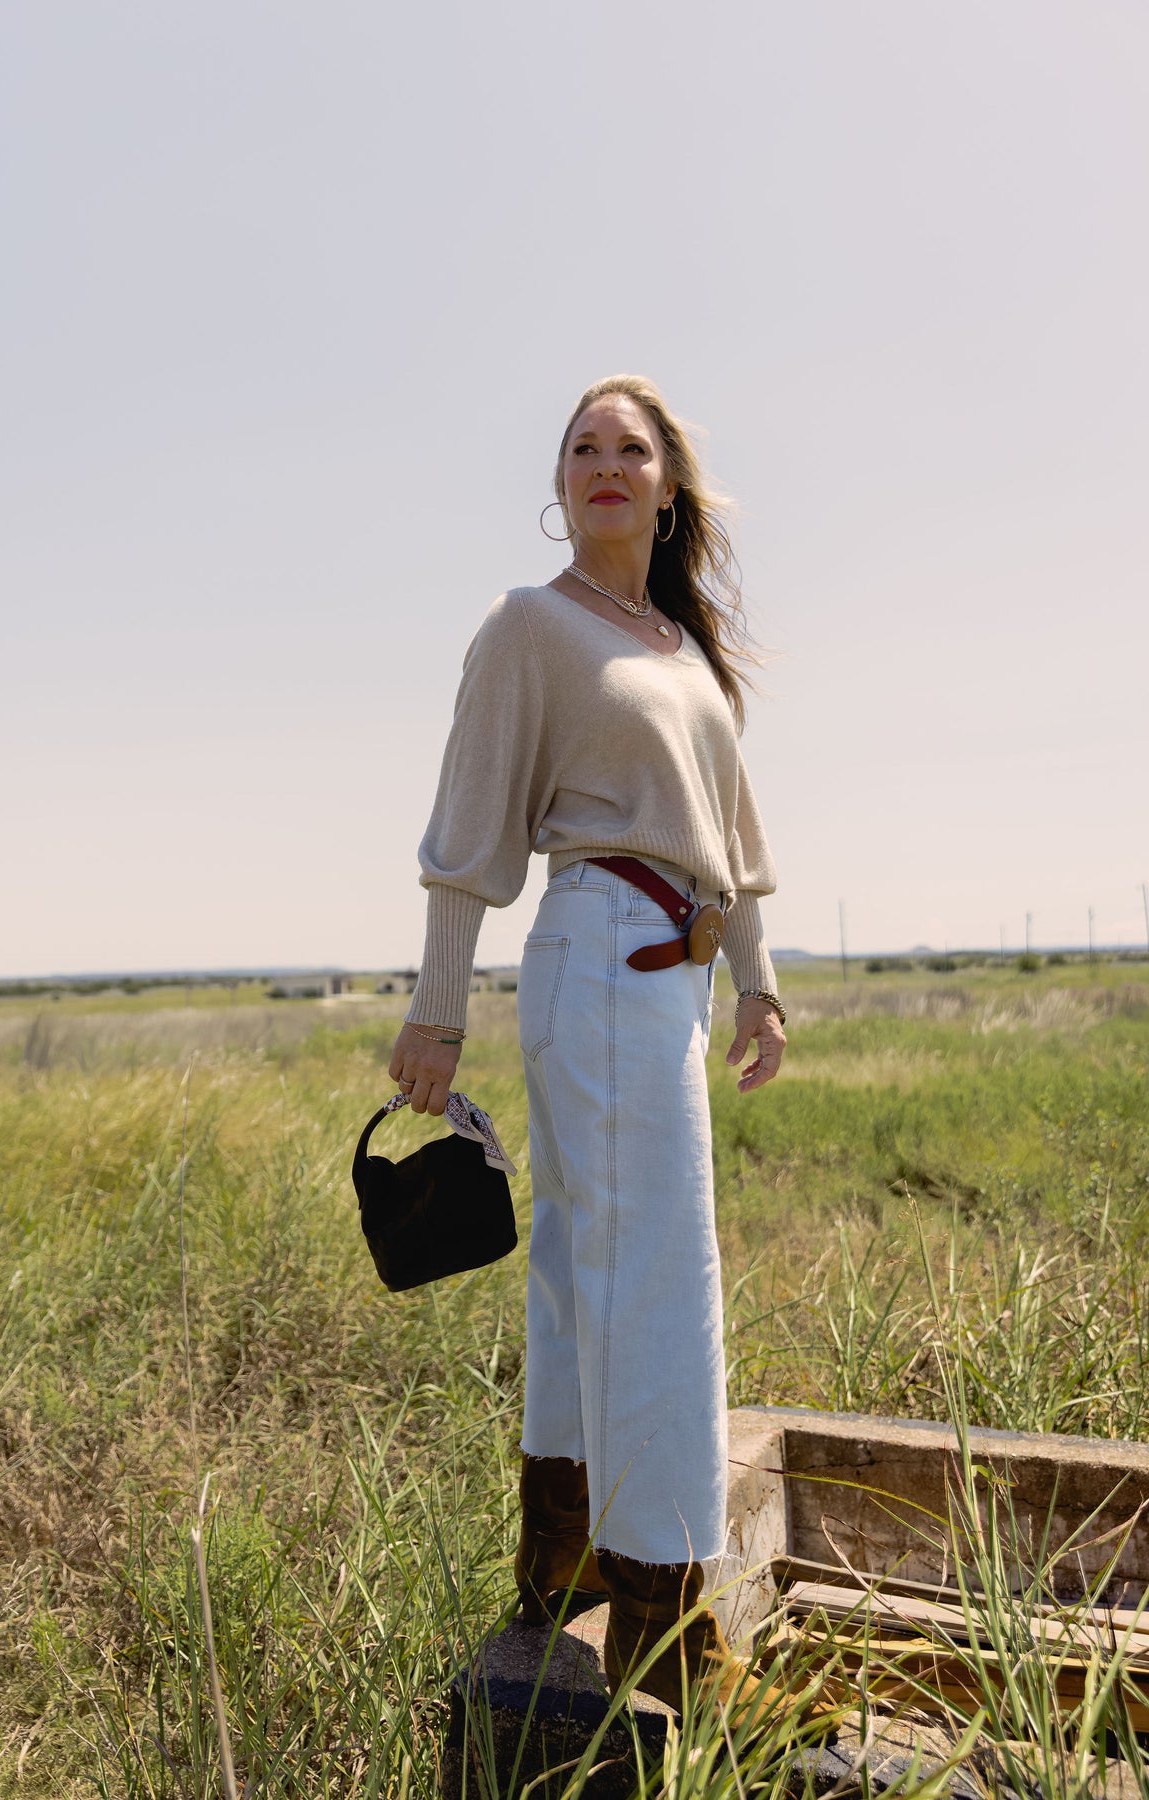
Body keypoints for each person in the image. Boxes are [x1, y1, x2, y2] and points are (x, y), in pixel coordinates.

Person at [388, 375, 822, 1725]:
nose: (604, 463)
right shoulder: (533, 626)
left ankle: (567, 1549)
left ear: (668, 484)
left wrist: (756, 988)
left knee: (591, 1266)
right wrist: (437, 1009)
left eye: (630, 447)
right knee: (657, 1280)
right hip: (597, 949)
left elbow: (731, 842)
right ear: (562, 485)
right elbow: (469, 828)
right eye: (583, 447)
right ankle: (666, 1624)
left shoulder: (683, 651)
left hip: (668, 976)